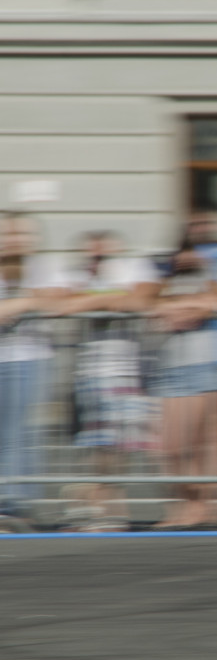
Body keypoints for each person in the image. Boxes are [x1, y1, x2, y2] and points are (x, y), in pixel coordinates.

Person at [148, 210, 217, 528]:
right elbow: (149, 306)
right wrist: (181, 307)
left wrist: (187, 308)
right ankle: (188, 503)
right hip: (173, 365)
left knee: (205, 440)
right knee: (172, 443)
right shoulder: (165, 276)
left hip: (209, 362)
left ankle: (204, 507)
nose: (191, 256)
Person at [55, 231, 160, 531]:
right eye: (93, 255)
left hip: (126, 370)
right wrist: (113, 298)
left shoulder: (135, 267)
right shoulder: (73, 274)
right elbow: (62, 305)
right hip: (91, 371)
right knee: (99, 446)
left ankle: (99, 505)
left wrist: (95, 299)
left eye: (103, 254)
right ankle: (101, 508)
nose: (97, 260)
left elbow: (140, 301)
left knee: (120, 447)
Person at [0, 213, 67, 522]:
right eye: (8, 234)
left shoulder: (45, 268)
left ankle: (13, 506)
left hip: (27, 359)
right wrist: (29, 302)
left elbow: (57, 302)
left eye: (20, 234)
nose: (13, 240)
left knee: (18, 434)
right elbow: (38, 302)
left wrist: (21, 304)